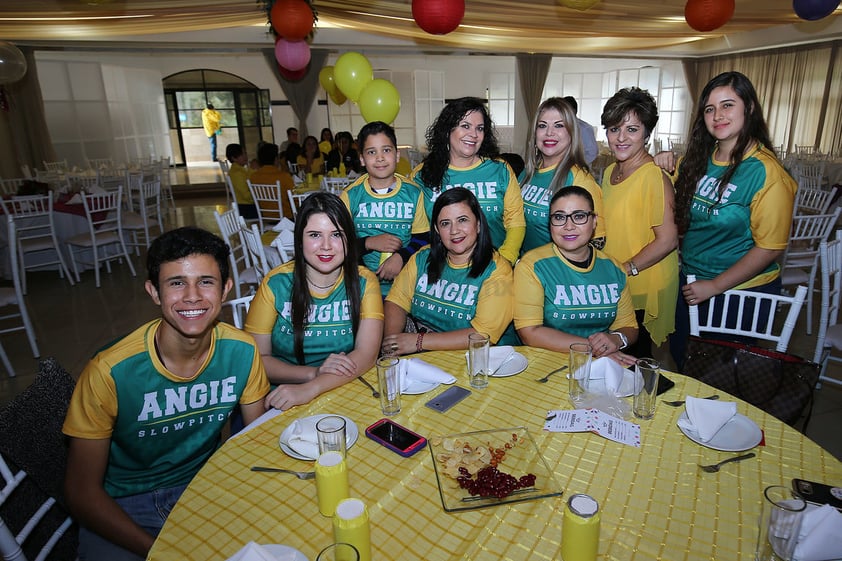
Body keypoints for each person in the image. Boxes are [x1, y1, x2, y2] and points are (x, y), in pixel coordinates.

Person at [62, 227, 270, 561]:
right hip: (125, 504)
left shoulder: (242, 352)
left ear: (226, 289)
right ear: (154, 293)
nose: (192, 296)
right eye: (176, 283)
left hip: (204, 486)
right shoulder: (110, 372)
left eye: (206, 281)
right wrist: (160, 553)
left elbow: (254, 444)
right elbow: (81, 492)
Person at [670, 71, 797, 368]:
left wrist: (715, 286)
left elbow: (770, 248)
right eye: (710, 109)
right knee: (684, 364)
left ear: (749, 108)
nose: (717, 116)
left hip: (739, 292)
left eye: (728, 105)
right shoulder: (701, 157)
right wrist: (664, 161)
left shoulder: (766, 172)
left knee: (720, 379)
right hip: (691, 282)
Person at [245, 192, 383, 411]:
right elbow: (257, 359)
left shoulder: (365, 281)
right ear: (299, 240)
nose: (326, 246)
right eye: (315, 235)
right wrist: (312, 375)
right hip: (285, 395)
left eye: (336, 234)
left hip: (342, 388)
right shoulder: (276, 283)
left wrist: (313, 387)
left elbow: (366, 355)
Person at [382, 187, 514, 355]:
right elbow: (396, 302)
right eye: (445, 223)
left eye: (463, 220)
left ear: (478, 224)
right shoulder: (422, 258)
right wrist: (393, 346)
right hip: (423, 358)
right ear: (437, 230)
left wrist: (418, 341)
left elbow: (482, 335)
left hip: (476, 360)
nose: (454, 230)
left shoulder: (498, 271)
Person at [514, 187, 638, 362]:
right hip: (546, 365)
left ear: (594, 221)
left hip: (603, 362)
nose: (568, 226)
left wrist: (617, 339)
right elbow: (530, 332)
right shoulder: (532, 266)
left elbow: (629, 327)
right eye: (559, 217)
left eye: (579, 216)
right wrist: (594, 349)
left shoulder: (614, 268)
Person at [600, 87, 679, 358]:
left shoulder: (654, 176)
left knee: (639, 367)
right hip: (618, 282)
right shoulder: (610, 171)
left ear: (647, 133)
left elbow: (668, 239)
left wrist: (626, 269)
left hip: (645, 283)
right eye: (613, 129)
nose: (621, 138)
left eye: (632, 129)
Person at [412, 96, 525, 265]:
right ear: (448, 130)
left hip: (494, 267)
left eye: (479, 128)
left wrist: (504, 262)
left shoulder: (500, 170)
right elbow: (417, 229)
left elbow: (515, 222)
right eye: (465, 126)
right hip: (442, 270)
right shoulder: (422, 174)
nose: (473, 134)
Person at [340, 121, 430, 296]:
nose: (380, 158)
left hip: (406, 287)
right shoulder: (350, 196)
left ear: (397, 155)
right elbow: (337, 244)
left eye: (386, 150)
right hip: (362, 289)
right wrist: (368, 243)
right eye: (372, 152)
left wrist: (401, 257)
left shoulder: (413, 193)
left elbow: (423, 238)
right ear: (361, 159)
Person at [519, 97, 605, 254]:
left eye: (559, 125)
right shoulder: (527, 173)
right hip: (525, 269)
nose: (549, 132)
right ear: (534, 133)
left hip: (556, 274)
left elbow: (597, 240)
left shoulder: (580, 180)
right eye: (542, 125)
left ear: (572, 133)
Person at [250, 142, 295, 220]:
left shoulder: (253, 177)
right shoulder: (284, 176)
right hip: (286, 217)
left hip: (265, 216)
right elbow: (294, 198)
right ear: (276, 159)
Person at [563, 96, 599, 166]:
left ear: (573, 111)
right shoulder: (559, 127)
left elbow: (593, 152)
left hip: (579, 169)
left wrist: (577, 164)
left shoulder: (584, 128)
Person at [225, 143, 257, 219]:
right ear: (233, 158)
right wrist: (260, 198)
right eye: (241, 154)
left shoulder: (242, 170)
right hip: (246, 208)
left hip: (249, 205)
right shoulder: (236, 173)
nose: (245, 156)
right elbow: (246, 196)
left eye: (245, 153)